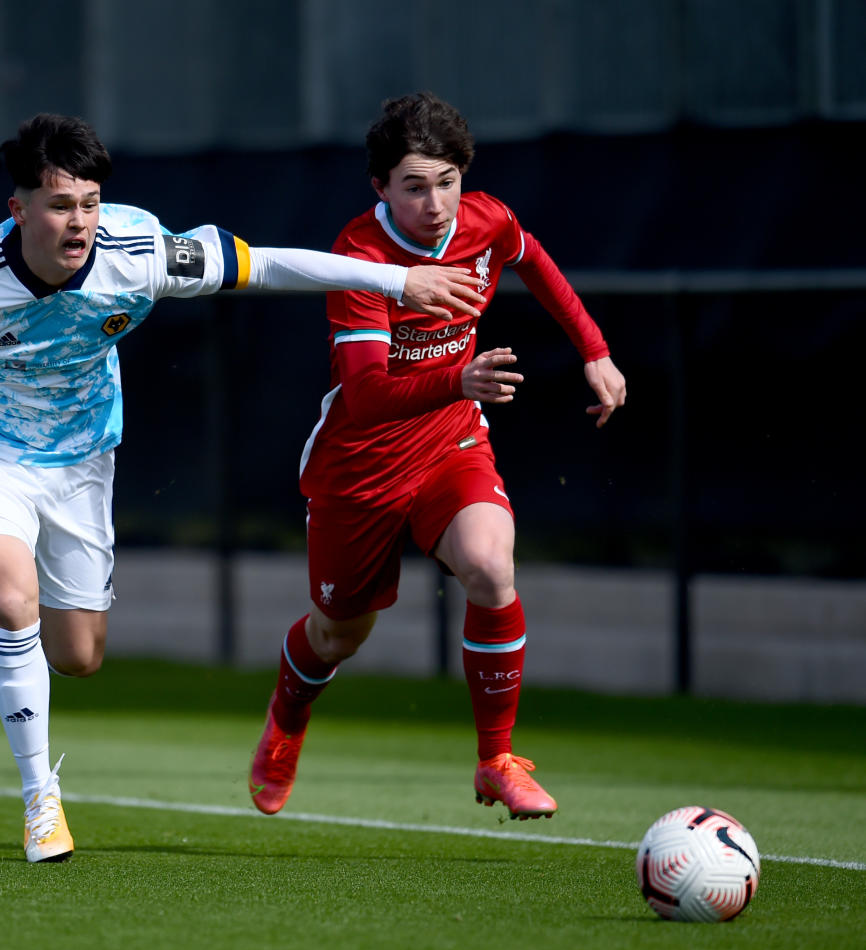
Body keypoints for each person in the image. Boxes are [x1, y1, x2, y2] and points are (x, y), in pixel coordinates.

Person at [0, 112, 489, 863]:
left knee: (77, 655)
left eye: (91, 202)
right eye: (61, 205)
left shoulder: (139, 252)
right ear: (20, 208)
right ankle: (41, 802)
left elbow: (267, 265)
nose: (79, 222)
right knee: (13, 601)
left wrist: (401, 279)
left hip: (80, 463)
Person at [248, 92, 627, 821]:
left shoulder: (484, 219)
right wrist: (458, 376)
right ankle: (287, 721)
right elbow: (363, 397)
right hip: (360, 465)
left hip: (451, 441)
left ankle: (496, 762)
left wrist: (596, 351)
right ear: (381, 188)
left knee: (489, 564)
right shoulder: (358, 257)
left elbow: (535, 260)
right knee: (339, 633)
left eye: (447, 180)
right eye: (414, 185)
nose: (435, 202)